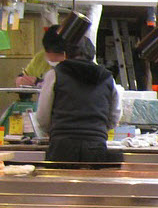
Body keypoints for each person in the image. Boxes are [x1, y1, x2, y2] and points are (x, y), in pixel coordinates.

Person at [36, 37, 122, 167]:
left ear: (66, 54)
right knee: (92, 186)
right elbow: (115, 115)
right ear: (92, 55)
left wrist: (53, 130)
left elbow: (43, 116)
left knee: (60, 186)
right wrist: (98, 130)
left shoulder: (55, 74)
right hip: (95, 144)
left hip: (62, 145)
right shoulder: (108, 78)